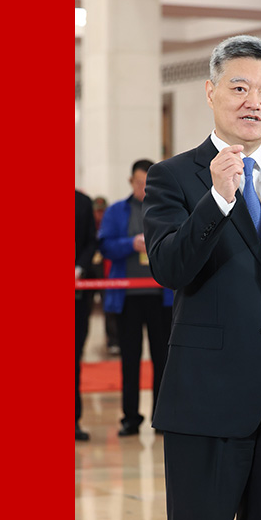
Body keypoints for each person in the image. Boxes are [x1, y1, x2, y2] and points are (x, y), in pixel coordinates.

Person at [143, 35, 261, 520]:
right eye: (240, 88)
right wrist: (218, 199)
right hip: (207, 397)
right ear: (211, 92)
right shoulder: (173, 176)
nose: (255, 102)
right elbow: (168, 268)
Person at [98, 160, 173, 437]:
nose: (144, 188)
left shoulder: (166, 208)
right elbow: (105, 245)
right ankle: (130, 417)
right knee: (130, 358)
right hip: (127, 297)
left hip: (161, 296)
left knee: (163, 358)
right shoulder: (117, 211)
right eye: (140, 183)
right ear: (131, 182)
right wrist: (131, 244)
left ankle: (162, 416)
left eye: (148, 183)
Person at [75, 189, 97, 442]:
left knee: (73, 356)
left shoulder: (82, 202)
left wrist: (79, 267)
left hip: (77, 293)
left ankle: (73, 419)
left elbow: (92, 241)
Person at [92, 196, 120, 356]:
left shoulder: (110, 224)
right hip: (91, 272)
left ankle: (113, 340)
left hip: (108, 272)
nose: (100, 215)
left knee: (109, 308)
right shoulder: (88, 226)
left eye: (102, 211)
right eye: (97, 211)